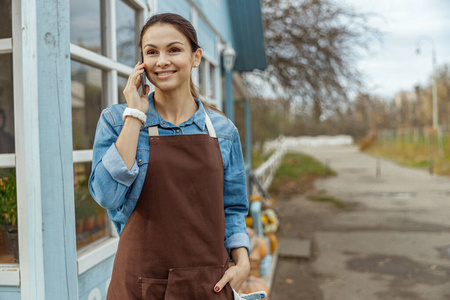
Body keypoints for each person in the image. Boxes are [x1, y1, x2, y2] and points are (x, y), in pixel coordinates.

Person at [89, 13, 260, 300]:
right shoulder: (117, 121)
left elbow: (233, 206)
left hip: (209, 285)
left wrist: (242, 261)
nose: (162, 61)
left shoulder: (223, 131)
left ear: (196, 57)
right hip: (139, 286)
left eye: (174, 49)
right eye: (151, 52)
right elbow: (107, 197)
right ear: (141, 63)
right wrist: (135, 115)